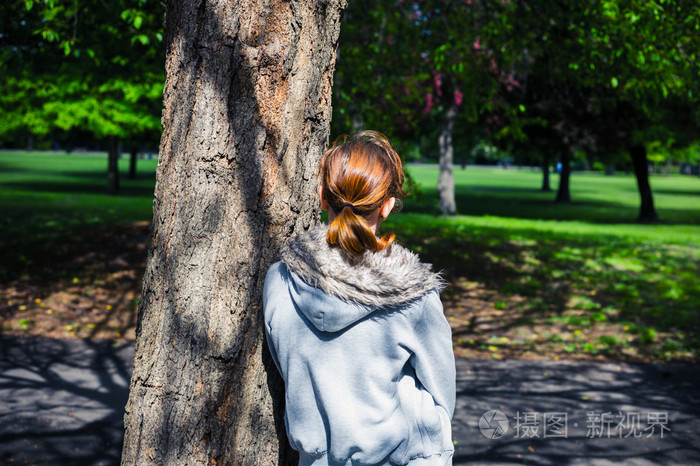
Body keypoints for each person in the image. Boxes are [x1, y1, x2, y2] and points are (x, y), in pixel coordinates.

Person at [263, 131, 456, 465]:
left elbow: (286, 365)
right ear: (387, 206)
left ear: (322, 196)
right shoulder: (414, 297)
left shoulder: (279, 281)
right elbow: (442, 396)